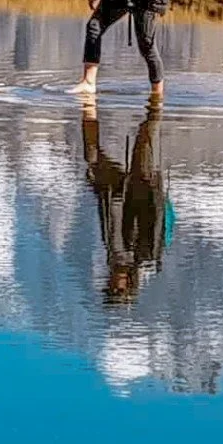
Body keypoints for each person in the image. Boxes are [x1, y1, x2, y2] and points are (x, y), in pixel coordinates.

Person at [81, 99, 171, 302]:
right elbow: (155, 215)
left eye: (111, 289)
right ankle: (155, 102)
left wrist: (100, 190)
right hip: (143, 186)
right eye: (116, 290)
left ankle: (89, 110)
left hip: (117, 191)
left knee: (93, 155)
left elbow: (109, 219)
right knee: (146, 135)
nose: (112, 285)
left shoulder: (114, 257)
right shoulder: (147, 259)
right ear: (128, 287)